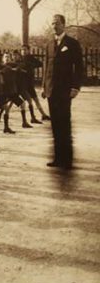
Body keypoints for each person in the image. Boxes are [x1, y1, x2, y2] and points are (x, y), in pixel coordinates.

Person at [43, 14, 83, 169]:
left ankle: (67, 160)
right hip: (51, 91)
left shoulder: (72, 43)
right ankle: (58, 158)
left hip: (65, 91)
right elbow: (47, 67)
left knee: (64, 124)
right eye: (52, 24)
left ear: (64, 25)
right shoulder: (49, 44)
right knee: (55, 124)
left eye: (57, 23)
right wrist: (45, 88)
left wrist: (76, 87)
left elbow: (79, 67)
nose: (54, 26)